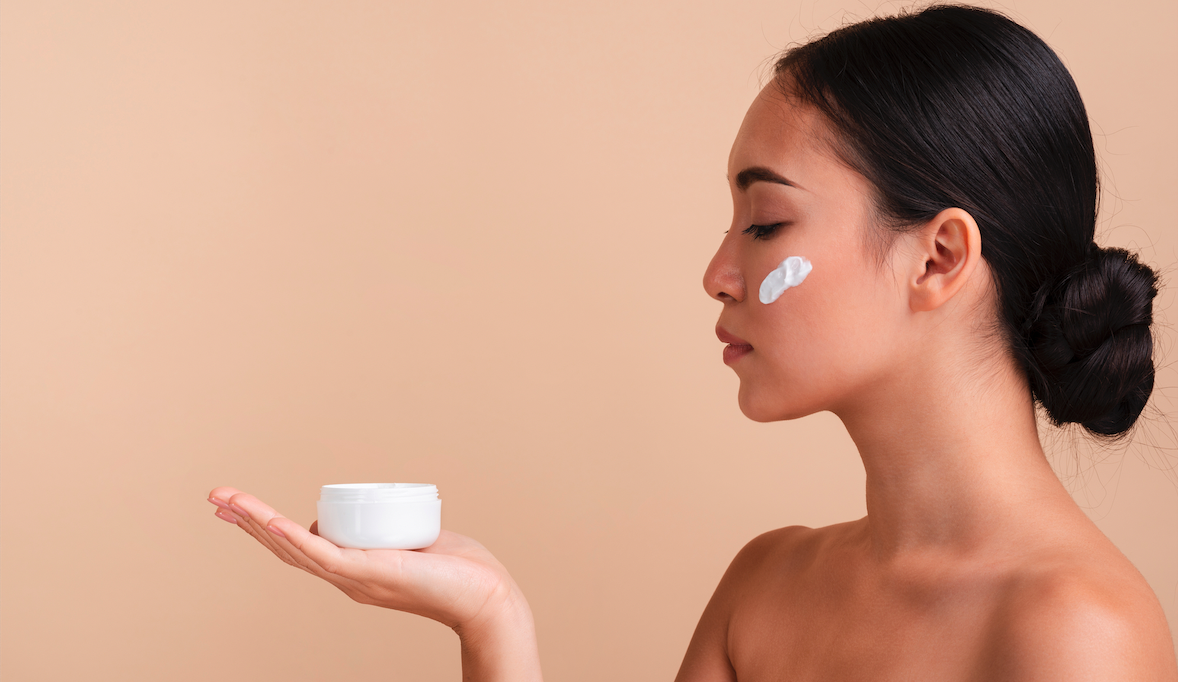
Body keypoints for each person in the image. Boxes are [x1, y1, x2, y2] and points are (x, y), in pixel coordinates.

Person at [208, 5, 1178, 680]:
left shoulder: (1075, 633)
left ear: (935, 259)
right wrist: (489, 613)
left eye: (762, 224)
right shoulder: (765, 587)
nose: (717, 273)